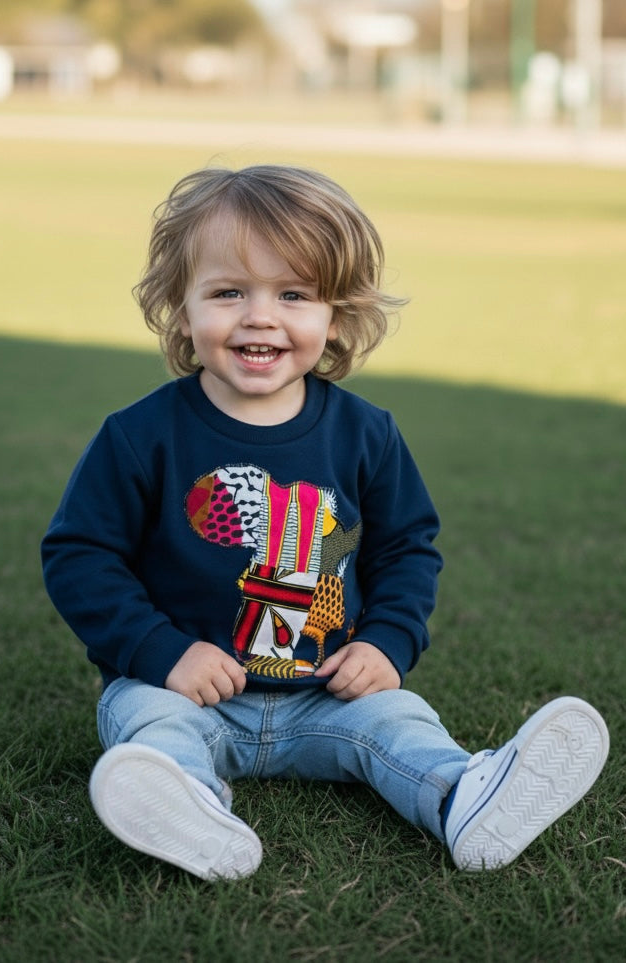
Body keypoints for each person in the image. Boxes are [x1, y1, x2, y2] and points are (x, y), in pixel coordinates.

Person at [42, 164, 609, 880]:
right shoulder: (140, 435)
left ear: (334, 316)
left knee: (400, 722)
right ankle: (192, 808)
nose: (258, 315)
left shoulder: (365, 434)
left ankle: (464, 796)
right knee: (149, 726)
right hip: (186, 690)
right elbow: (80, 553)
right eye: (227, 292)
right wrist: (159, 651)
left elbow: (406, 548)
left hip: (326, 695)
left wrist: (386, 642)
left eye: (292, 294)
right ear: (181, 311)